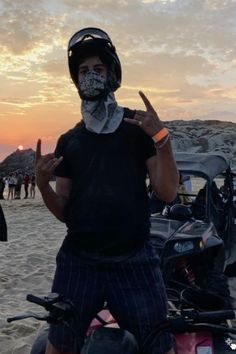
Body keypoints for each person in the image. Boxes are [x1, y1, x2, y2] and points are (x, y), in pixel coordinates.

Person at [35, 27, 179, 354]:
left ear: (112, 75)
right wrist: (43, 187)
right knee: (59, 344)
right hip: (79, 260)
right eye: (83, 71)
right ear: (75, 81)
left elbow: (168, 192)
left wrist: (162, 139)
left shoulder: (137, 129)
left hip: (135, 258)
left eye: (98, 69)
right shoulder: (69, 141)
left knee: (159, 343)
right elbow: (65, 210)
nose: (90, 76)